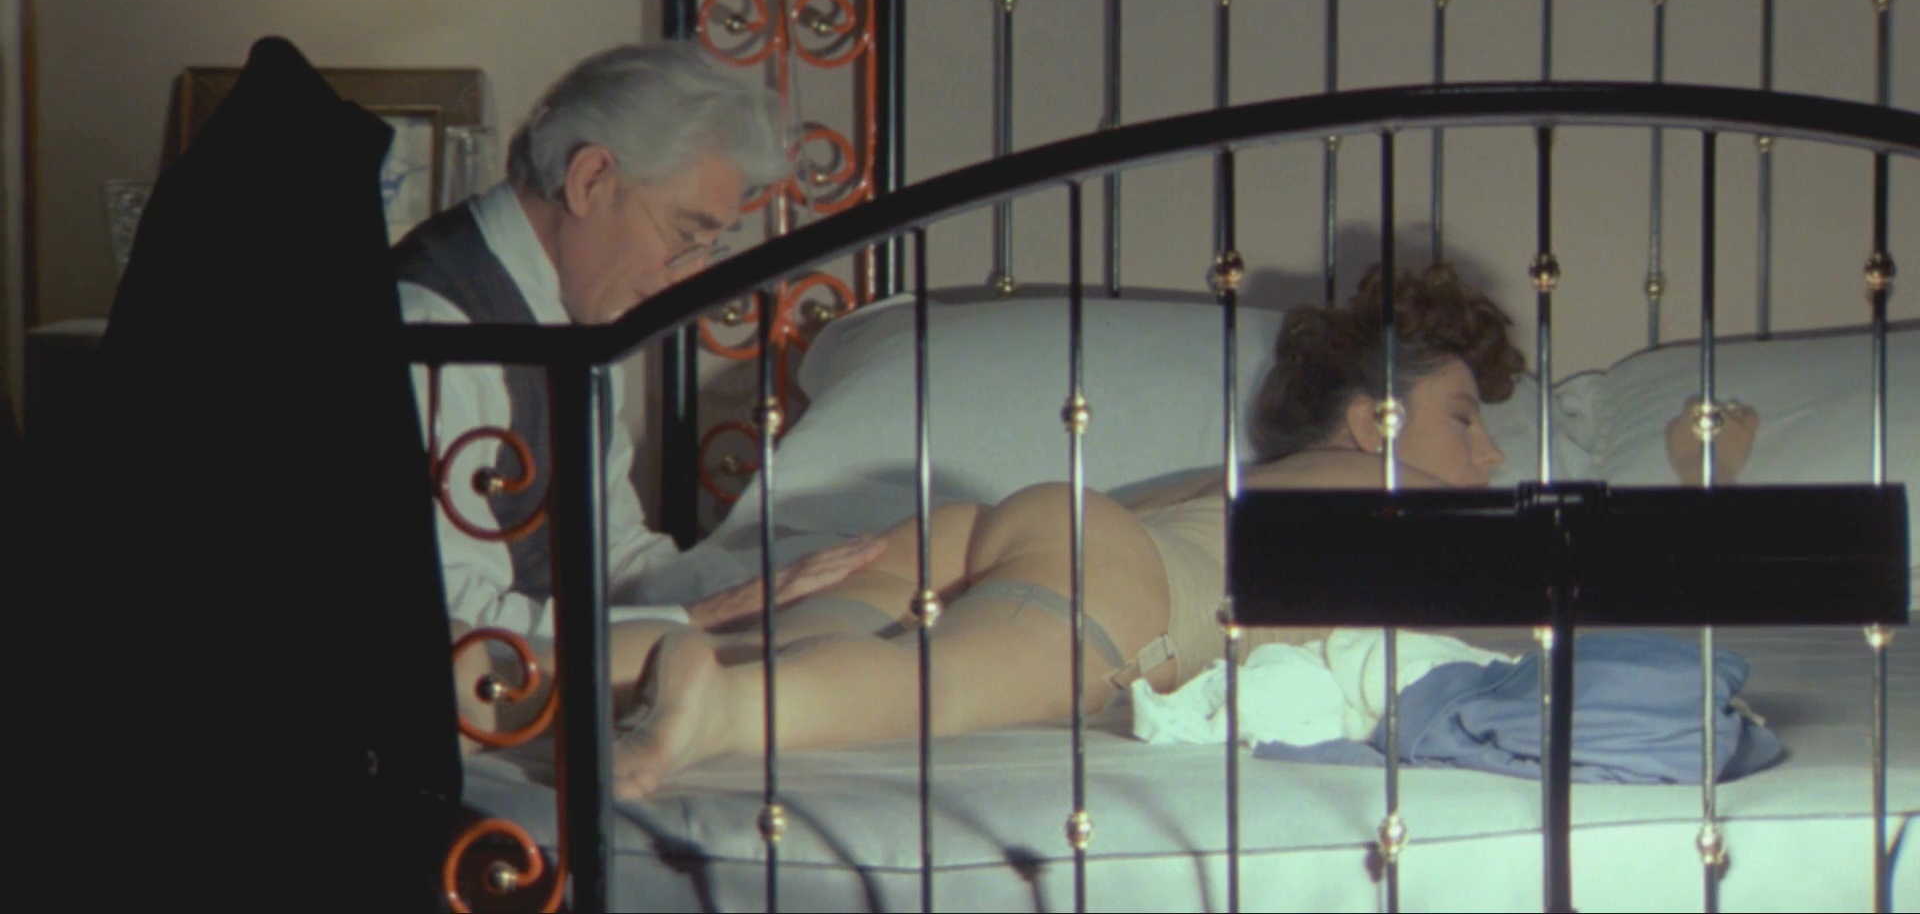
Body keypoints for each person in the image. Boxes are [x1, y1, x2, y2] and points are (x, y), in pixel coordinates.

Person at [608, 262, 1762, 799]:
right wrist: (1696, 478)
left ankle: (549, 667)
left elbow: (1079, 519)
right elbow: (1589, 585)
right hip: (1128, 583)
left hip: (1005, 529)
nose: (1493, 456)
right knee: (938, 689)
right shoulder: (1402, 497)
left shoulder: (1244, 478)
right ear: (1378, 418)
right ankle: (718, 713)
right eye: (1467, 417)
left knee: (796, 642)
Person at [394, 43, 884, 738]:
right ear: (591, 179)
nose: (691, 275)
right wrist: (694, 620)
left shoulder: (576, 312)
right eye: (685, 234)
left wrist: (753, 585)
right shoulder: (434, 331)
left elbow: (615, 548)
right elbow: (444, 619)